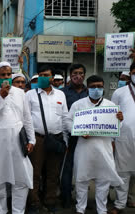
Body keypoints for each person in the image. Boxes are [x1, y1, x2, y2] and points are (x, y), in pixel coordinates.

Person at [0, 62, 35, 214]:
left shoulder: (20, 93)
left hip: (18, 141)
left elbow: (27, 118)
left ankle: (18, 211)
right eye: (3, 75)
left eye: (9, 74)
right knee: (0, 182)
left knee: (21, 180)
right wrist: (0, 97)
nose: (6, 77)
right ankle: (0, 211)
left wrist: (31, 140)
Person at [66, 75, 124, 214]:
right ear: (88, 88)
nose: (96, 89)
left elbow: (118, 127)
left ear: (103, 88)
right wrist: (78, 131)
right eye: (93, 87)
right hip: (84, 147)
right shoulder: (78, 105)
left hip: (104, 147)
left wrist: (120, 120)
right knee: (81, 179)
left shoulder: (111, 106)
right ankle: (80, 209)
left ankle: (101, 210)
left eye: (99, 86)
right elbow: (68, 122)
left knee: (103, 180)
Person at [26, 65, 68, 214]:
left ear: (52, 78)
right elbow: (27, 119)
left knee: (53, 173)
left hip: (56, 139)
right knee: (34, 173)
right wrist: (30, 140)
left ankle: (50, 201)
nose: (43, 78)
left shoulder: (60, 95)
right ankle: (34, 202)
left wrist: (65, 140)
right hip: (37, 139)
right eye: (41, 75)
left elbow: (64, 118)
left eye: (46, 75)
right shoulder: (30, 95)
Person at [60, 64, 88, 208]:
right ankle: (65, 198)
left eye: (81, 73)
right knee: (68, 168)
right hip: (70, 137)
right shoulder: (63, 93)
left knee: (85, 169)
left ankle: (82, 200)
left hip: (88, 138)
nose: (79, 76)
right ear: (70, 76)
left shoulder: (90, 92)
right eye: (76, 73)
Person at [109, 63, 135, 214]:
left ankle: (131, 198)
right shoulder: (120, 92)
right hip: (124, 138)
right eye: (134, 72)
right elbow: (112, 116)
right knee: (123, 172)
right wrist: (112, 139)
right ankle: (119, 204)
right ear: (131, 73)